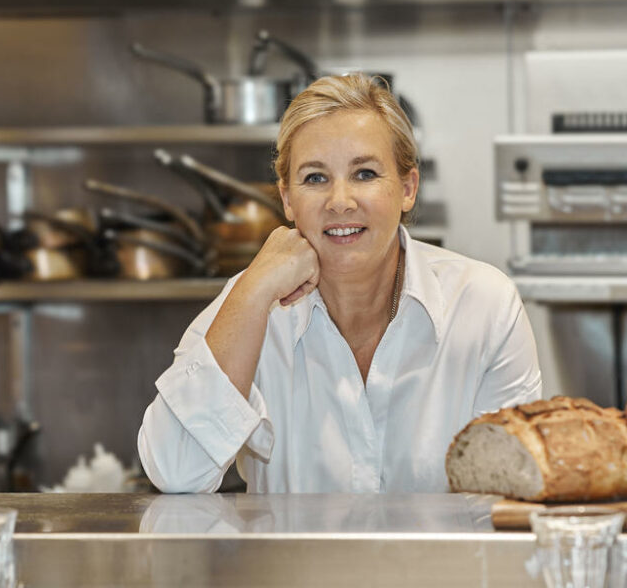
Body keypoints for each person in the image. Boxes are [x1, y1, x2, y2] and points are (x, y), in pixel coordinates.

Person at [137, 73, 542, 494]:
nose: (341, 201)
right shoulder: (249, 301)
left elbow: (513, 490)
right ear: (287, 199)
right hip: (292, 563)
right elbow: (174, 471)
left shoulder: (485, 306)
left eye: (365, 174)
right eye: (315, 178)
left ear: (408, 188)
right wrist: (254, 290)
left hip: (443, 562)